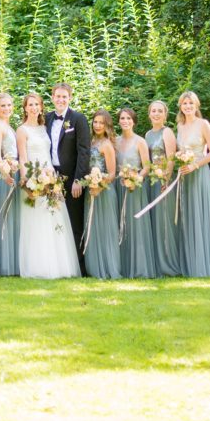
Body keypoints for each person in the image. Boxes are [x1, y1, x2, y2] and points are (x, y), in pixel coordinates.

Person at [17, 93, 80, 279]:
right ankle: (39, 267)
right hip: (33, 178)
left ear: (41, 107)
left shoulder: (45, 127)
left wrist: (52, 178)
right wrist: (28, 182)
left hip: (51, 177)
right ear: (25, 108)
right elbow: (23, 158)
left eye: (37, 104)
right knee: (37, 222)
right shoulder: (22, 130)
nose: (34, 107)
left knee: (54, 219)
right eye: (30, 104)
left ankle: (59, 266)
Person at [175, 92, 210, 277]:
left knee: (200, 215)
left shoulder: (203, 124)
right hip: (185, 176)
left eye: (190, 103)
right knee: (187, 216)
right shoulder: (180, 126)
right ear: (180, 106)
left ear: (196, 105)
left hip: (199, 173)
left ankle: (204, 264)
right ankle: (189, 264)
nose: (187, 106)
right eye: (184, 103)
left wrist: (195, 164)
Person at [45, 82, 90, 274]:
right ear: (52, 97)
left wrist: (79, 180)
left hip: (72, 180)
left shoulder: (78, 119)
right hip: (50, 178)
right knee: (53, 221)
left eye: (64, 96)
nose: (61, 99)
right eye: (57, 96)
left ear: (70, 98)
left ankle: (79, 267)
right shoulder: (46, 118)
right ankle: (57, 266)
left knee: (74, 223)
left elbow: (84, 151)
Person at [116, 107, 157, 279]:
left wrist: (136, 179)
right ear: (118, 121)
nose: (125, 121)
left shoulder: (140, 141)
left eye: (128, 118)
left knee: (135, 226)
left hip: (135, 187)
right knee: (120, 223)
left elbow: (147, 166)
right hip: (119, 186)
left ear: (134, 121)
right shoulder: (115, 141)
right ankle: (122, 266)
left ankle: (139, 266)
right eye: (122, 118)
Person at [83, 110, 121, 279]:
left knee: (106, 230)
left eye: (101, 123)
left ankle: (108, 267)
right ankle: (94, 268)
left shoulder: (107, 144)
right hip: (90, 190)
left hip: (104, 191)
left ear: (107, 126)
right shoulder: (90, 142)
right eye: (95, 122)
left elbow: (112, 173)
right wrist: (91, 184)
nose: (97, 125)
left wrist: (100, 186)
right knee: (93, 228)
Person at [145, 100, 180, 276]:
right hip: (151, 181)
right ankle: (156, 262)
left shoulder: (167, 132)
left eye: (160, 111)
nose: (156, 114)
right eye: (153, 111)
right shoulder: (148, 134)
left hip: (164, 182)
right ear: (149, 114)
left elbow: (171, 158)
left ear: (165, 114)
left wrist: (166, 179)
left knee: (164, 221)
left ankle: (169, 263)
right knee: (154, 222)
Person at [0, 92, 21, 277]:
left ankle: (14, 262)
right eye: (3, 106)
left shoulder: (9, 126)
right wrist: (5, 173)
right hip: (4, 176)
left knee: (12, 217)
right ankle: (3, 263)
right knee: (4, 216)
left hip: (13, 173)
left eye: (9, 105)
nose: (7, 109)